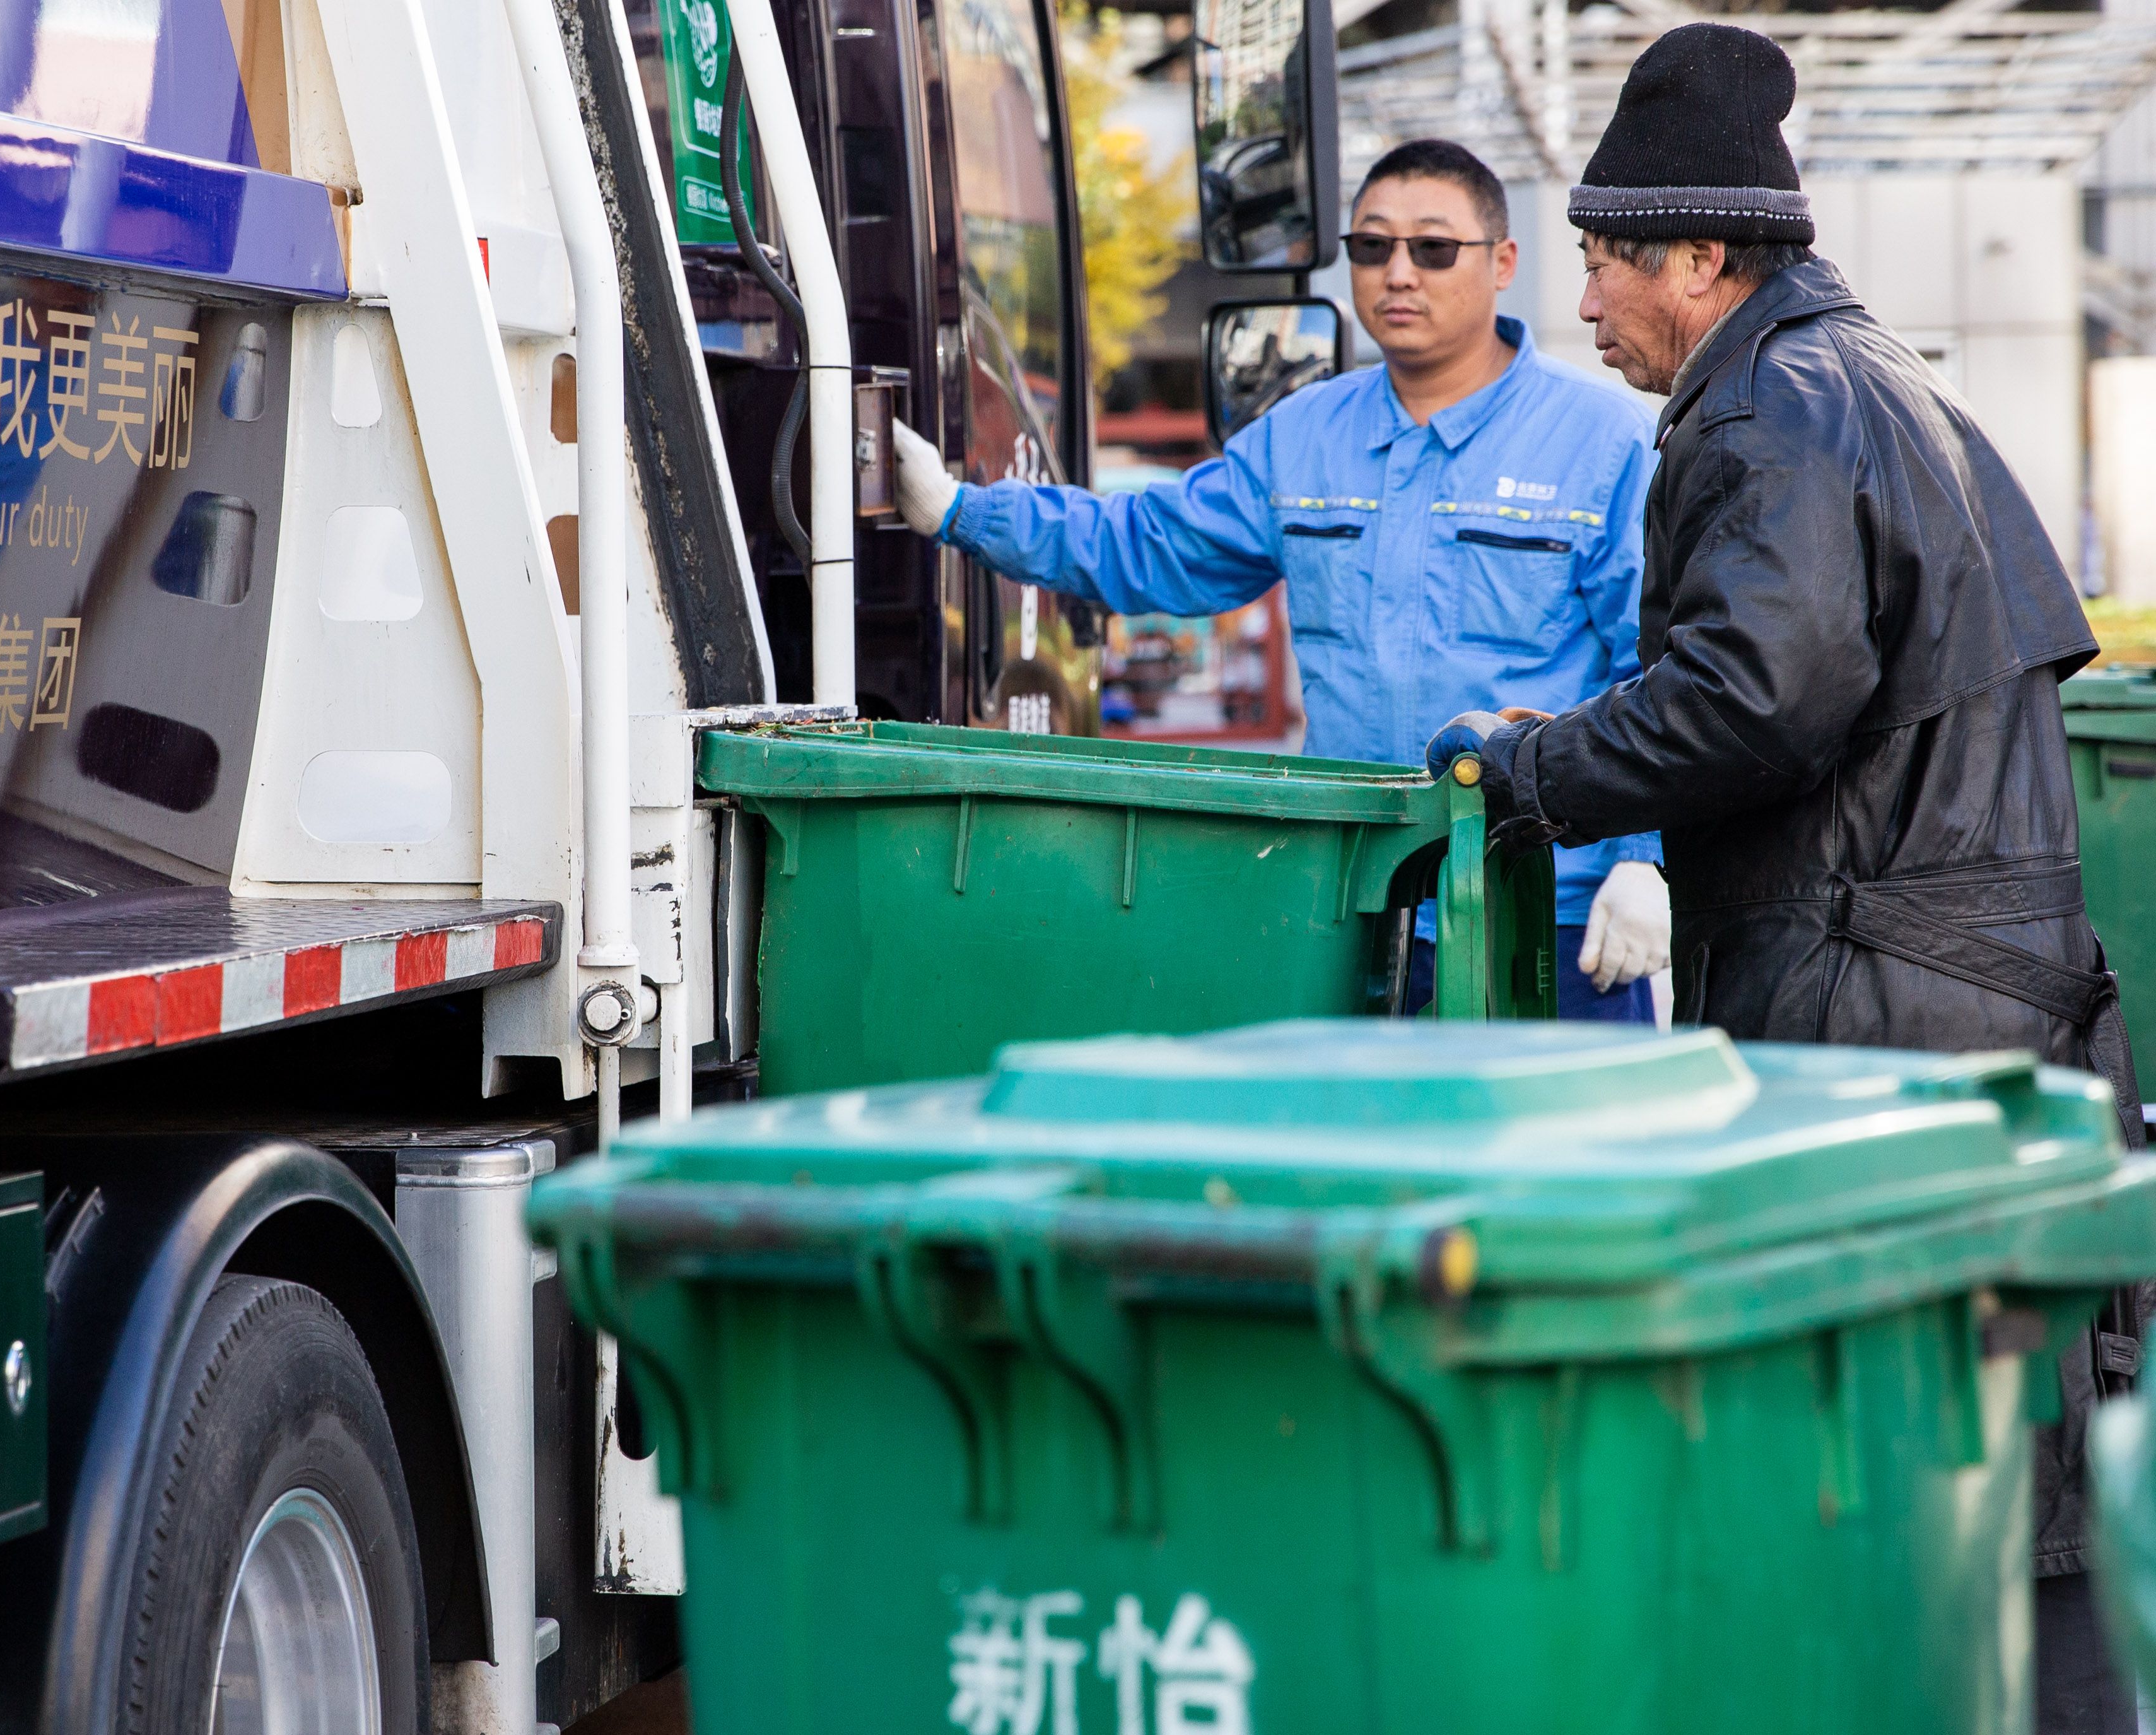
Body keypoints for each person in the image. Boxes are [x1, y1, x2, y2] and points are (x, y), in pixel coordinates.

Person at [1418, 25, 2146, 1731]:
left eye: (1600, 263)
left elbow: (1761, 689)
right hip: (1984, 1007)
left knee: (1905, 1481)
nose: (1583, 302)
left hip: (1884, 1018)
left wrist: (1528, 768)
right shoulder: (1873, 375)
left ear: (1699, 258)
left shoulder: (1768, 407)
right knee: (2010, 1475)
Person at [892, 139, 1668, 1018]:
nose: (1397, 273)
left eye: (1433, 248)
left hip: (1546, 918)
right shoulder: (1304, 436)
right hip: (1352, 907)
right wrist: (959, 510)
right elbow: (1143, 542)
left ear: (1503, 263)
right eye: (1371, 248)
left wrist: (1646, 857)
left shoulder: (1600, 439)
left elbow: (1655, 666)